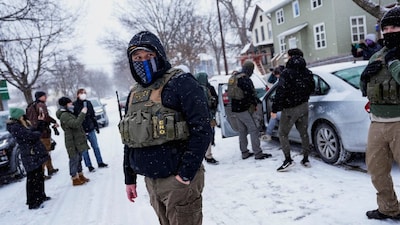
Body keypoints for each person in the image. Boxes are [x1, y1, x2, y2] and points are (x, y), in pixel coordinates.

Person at [121, 31, 211, 225]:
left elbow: (202, 129)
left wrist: (185, 175)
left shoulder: (181, 82)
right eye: (137, 58)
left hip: (178, 181)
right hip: (151, 182)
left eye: (149, 56)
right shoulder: (134, 94)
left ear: (159, 55)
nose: (143, 61)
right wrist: (129, 178)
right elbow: (130, 138)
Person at [360, 7, 400, 220]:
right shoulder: (376, 55)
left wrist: (394, 62)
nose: (390, 31)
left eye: (395, 26)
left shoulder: (394, 57)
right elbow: (364, 88)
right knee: (377, 171)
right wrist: (365, 77)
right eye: (386, 28)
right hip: (377, 122)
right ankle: (389, 208)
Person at [271, 48, 315, 172]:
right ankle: (306, 159)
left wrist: (274, 109)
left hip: (290, 109)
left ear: (291, 57)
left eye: (287, 56)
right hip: (304, 106)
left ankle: (288, 160)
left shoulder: (286, 73)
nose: (287, 58)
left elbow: (280, 92)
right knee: (304, 132)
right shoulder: (307, 72)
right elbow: (312, 87)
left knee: (283, 133)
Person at [6, 107, 50, 209]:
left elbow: (33, 131)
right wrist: (38, 133)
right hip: (29, 153)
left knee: (39, 175)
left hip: (33, 152)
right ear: (18, 116)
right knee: (32, 177)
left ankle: (40, 196)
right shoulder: (15, 127)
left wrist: (40, 122)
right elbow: (30, 135)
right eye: (22, 115)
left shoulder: (22, 124)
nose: (24, 116)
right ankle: (32, 201)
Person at [227, 60, 271, 160]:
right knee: (253, 129)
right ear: (250, 69)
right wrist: (255, 103)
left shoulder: (234, 77)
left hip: (235, 108)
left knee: (242, 131)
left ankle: (244, 152)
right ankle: (258, 153)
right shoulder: (245, 79)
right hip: (244, 108)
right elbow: (250, 94)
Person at [56, 97, 90, 186]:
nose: (72, 105)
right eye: (70, 104)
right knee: (74, 159)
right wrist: (82, 114)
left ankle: (80, 175)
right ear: (65, 105)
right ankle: (74, 178)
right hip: (71, 141)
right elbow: (75, 124)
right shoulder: (64, 115)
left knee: (79, 158)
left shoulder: (68, 113)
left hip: (76, 139)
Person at [26, 91, 59, 179]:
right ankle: (42, 174)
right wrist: (54, 121)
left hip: (36, 131)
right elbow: (45, 116)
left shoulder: (32, 105)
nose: (46, 97)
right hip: (43, 132)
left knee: (45, 151)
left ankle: (50, 168)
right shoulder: (41, 105)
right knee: (44, 152)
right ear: (40, 97)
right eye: (44, 96)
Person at [73, 88, 108, 172]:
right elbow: (75, 118)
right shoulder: (75, 105)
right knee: (84, 150)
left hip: (90, 128)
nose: (83, 94)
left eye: (85, 93)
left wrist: (96, 126)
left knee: (95, 147)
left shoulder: (88, 103)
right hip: (81, 131)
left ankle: (100, 162)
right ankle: (89, 165)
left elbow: (93, 115)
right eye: (82, 93)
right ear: (78, 94)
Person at [194, 72, 219, 165]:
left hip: (198, 117)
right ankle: (208, 156)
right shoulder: (203, 89)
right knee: (207, 136)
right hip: (205, 116)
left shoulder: (194, 88)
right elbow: (207, 105)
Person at [261, 66, 284, 142]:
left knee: (273, 115)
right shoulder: (289, 79)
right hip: (294, 107)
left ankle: (268, 135)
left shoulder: (281, 82)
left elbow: (279, 98)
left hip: (288, 110)